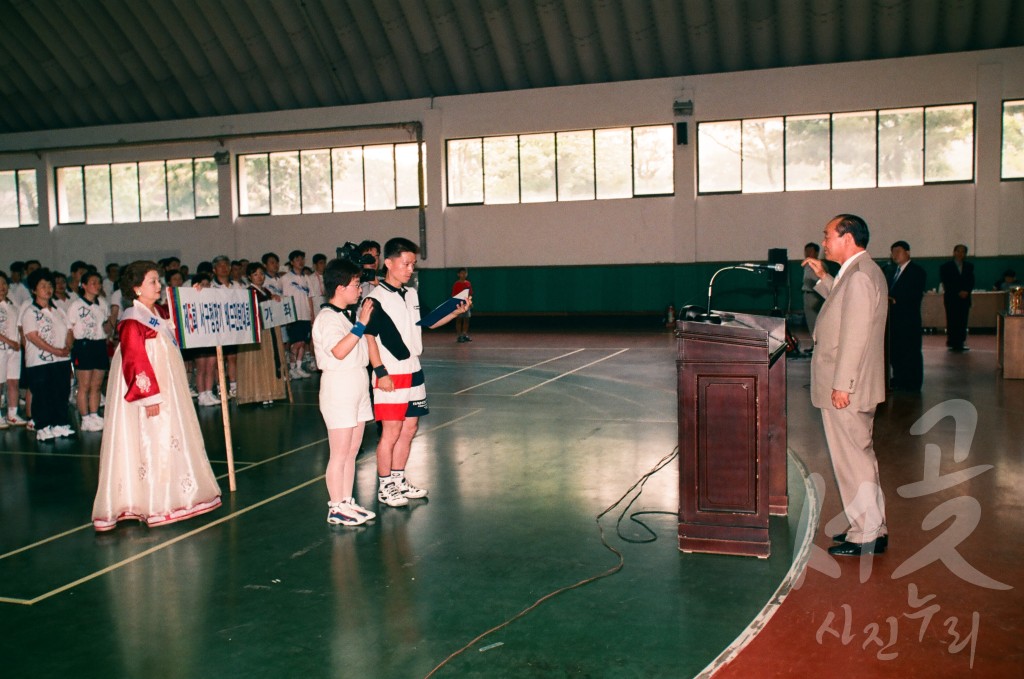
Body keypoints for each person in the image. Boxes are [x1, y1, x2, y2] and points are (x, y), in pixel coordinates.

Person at [92, 261, 221, 532]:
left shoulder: (159, 312)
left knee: (170, 436)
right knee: (151, 438)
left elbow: (182, 316)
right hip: (149, 389)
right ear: (137, 288)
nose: (158, 285)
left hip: (169, 384)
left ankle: (176, 493)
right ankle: (153, 500)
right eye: (152, 281)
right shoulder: (131, 319)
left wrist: (195, 295)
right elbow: (135, 361)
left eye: (158, 280)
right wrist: (149, 397)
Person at [802, 214, 888, 557]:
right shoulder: (858, 272)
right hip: (854, 385)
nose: (824, 242)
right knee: (859, 457)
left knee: (852, 460)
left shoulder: (859, 278)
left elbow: (854, 337)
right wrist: (824, 278)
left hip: (848, 388)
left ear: (847, 237)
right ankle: (871, 527)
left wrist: (843, 385)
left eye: (828, 236)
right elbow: (843, 307)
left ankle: (865, 533)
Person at [365, 237, 469, 507]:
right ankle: (385, 485)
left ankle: (398, 479)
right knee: (391, 431)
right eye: (406, 263)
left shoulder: (410, 293)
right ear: (388, 263)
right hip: (390, 372)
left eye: (413, 264)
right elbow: (370, 338)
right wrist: (380, 371)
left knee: (410, 427)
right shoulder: (375, 298)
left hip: (414, 369)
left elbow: (427, 323)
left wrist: (455, 313)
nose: (410, 269)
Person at [312, 259, 378, 525]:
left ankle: (347, 501)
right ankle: (335, 506)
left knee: (352, 450)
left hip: (358, 382)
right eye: (355, 284)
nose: (360, 289)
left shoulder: (344, 315)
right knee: (339, 452)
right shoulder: (327, 318)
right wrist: (361, 324)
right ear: (339, 287)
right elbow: (339, 351)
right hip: (338, 386)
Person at [20, 268, 75, 441]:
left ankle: (59, 424)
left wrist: (67, 346)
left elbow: (69, 330)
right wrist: (55, 351)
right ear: (34, 290)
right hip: (39, 362)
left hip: (62, 360)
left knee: (61, 392)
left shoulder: (58, 310)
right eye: (43, 286)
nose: (48, 289)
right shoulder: (30, 312)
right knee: (42, 395)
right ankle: (42, 427)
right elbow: (32, 337)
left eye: (50, 285)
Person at [236, 262, 288, 406]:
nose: (259, 277)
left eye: (261, 274)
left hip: (270, 330)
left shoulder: (266, 291)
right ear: (249, 277)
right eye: (255, 274)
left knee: (271, 359)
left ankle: (271, 390)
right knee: (259, 362)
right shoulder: (248, 292)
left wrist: (276, 299)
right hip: (258, 332)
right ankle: (258, 392)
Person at [68, 271, 112, 431]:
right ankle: (85, 418)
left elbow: (106, 325)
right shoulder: (76, 305)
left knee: (97, 384)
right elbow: (71, 329)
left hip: (99, 345)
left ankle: (94, 414)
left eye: (98, 282)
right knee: (84, 385)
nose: (97, 285)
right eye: (93, 282)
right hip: (83, 346)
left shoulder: (102, 303)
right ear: (84, 285)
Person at [886, 241, 927, 392]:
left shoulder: (917, 271)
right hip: (894, 320)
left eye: (898, 251)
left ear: (908, 252)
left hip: (909, 319)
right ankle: (899, 378)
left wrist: (895, 299)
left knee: (911, 351)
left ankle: (913, 382)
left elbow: (914, 294)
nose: (895, 255)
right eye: (893, 252)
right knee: (896, 351)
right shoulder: (892, 272)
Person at [0, 272, 28, 428]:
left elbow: (19, 325)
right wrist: (9, 341)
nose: (2, 287)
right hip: (2, 348)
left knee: (13, 382)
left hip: (14, 349)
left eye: (4, 283)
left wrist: (19, 342)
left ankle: (12, 413)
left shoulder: (13, 304)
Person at [281, 250, 315, 379]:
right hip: (293, 316)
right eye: (297, 260)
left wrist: (312, 315)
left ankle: (299, 368)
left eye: (302, 259)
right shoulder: (286, 279)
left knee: (302, 343)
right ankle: (292, 368)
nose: (300, 262)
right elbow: (283, 298)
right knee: (296, 343)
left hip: (305, 315)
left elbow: (310, 297)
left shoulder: (306, 278)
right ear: (291, 262)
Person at [939, 244, 974, 352]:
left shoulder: (969, 266)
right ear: (954, 252)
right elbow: (946, 282)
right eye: (958, 251)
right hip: (952, 298)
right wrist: (958, 291)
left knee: (963, 321)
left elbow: (971, 281)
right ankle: (952, 342)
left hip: (965, 298)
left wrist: (966, 291)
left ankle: (961, 342)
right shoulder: (945, 266)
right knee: (952, 320)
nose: (960, 254)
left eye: (963, 252)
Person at [801, 242, 824, 337]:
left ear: (817, 253)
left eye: (810, 251)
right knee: (810, 322)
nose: (807, 253)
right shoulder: (806, 265)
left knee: (815, 321)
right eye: (806, 251)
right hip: (807, 294)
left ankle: (817, 345)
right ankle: (813, 345)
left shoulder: (819, 266)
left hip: (815, 295)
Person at [451, 267, 474, 343]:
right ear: (458, 274)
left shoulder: (468, 283)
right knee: (459, 320)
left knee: (466, 319)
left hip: (466, 305)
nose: (463, 275)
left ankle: (464, 334)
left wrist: (470, 303)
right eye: (462, 273)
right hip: (459, 305)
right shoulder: (456, 284)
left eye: (465, 273)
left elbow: (470, 294)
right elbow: (454, 295)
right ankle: (459, 336)